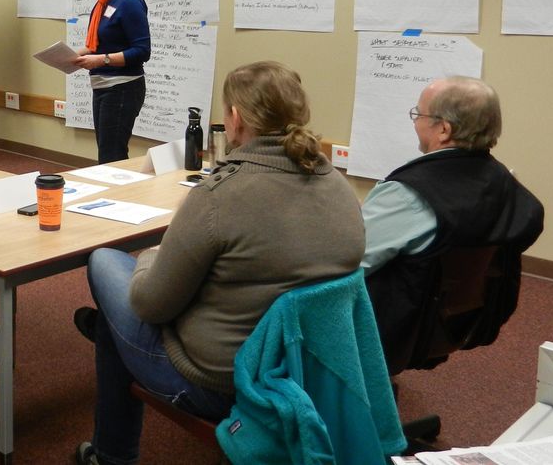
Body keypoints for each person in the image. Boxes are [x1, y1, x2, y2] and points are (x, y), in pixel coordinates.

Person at [73, 61, 365, 465]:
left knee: (106, 262)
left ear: (236, 118)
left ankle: (113, 455)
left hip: (219, 382)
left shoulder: (218, 196)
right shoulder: (339, 186)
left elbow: (151, 305)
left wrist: (149, 257)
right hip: (307, 370)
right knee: (122, 312)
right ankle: (109, 451)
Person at [361, 76, 544, 356]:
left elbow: (348, 262)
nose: (415, 122)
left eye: (418, 114)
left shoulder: (407, 195)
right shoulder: (507, 185)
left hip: (392, 324)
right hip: (456, 321)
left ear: (444, 129)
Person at [72, 0, 151, 163]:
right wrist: (78, 54)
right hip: (103, 86)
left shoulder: (130, 1)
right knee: (107, 152)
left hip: (123, 88)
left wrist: (100, 61)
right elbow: (101, 43)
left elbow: (142, 51)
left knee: (111, 156)